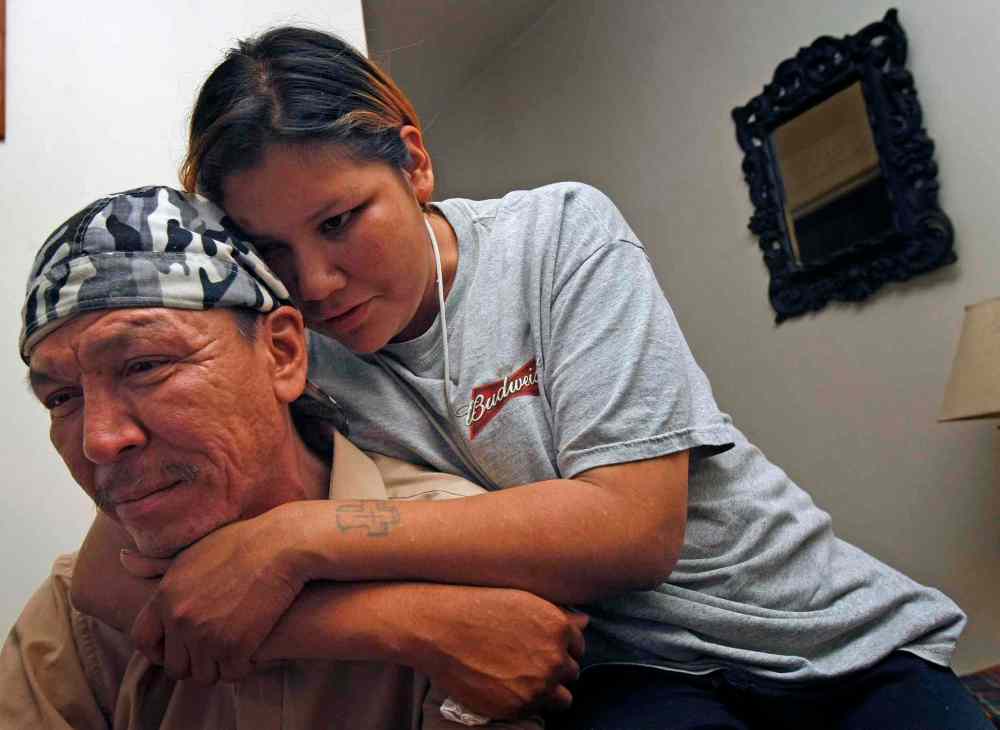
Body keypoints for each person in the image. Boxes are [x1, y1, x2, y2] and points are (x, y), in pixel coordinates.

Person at [71, 27, 990, 729]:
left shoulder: (558, 234)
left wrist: (300, 540)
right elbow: (111, 584)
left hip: (822, 632)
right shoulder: (293, 350)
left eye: (342, 221)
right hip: (624, 673)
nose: (316, 284)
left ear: (414, 160)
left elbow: (633, 528)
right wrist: (388, 625)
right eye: (274, 251)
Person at [3, 186, 582, 728]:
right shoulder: (79, 616)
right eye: (62, 398)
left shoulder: (469, 575)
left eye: (145, 365)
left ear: (282, 353)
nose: (99, 441)